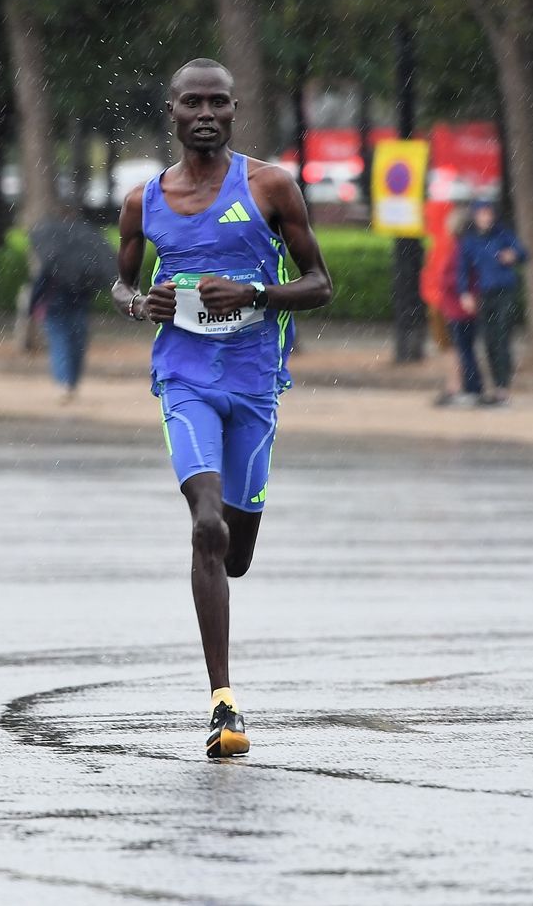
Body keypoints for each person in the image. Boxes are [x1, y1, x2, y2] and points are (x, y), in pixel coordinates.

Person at [112, 59, 333, 758]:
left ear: (234, 109)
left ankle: (227, 557)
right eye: (191, 103)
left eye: (217, 102)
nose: (204, 113)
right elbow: (120, 286)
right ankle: (223, 702)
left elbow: (321, 283)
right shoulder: (141, 200)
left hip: (255, 384)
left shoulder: (270, 186)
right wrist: (136, 302)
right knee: (206, 525)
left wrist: (257, 296)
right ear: (171, 112)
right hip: (184, 379)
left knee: (234, 552)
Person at [27, 208, 116, 402]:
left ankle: (64, 383)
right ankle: (71, 381)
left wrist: (32, 305)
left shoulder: (51, 249)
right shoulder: (87, 243)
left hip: (55, 303)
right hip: (79, 301)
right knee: (77, 341)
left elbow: (40, 282)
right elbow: (100, 273)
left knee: (61, 341)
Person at [457, 201, 525, 406]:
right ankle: (495, 384)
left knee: (502, 337)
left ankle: (503, 386)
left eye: (488, 214)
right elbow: (463, 269)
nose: (485, 218)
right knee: (488, 340)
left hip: (505, 291)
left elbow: (522, 252)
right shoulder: (469, 241)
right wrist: (464, 293)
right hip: (484, 293)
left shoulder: (502, 234)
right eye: (482, 214)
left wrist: (512, 255)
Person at [431, 207, 483, 407]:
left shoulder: (460, 249)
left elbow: (456, 277)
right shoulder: (465, 247)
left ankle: (471, 388)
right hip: (457, 306)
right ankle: (471, 387)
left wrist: (447, 286)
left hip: (459, 307)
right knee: (465, 349)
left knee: (464, 349)